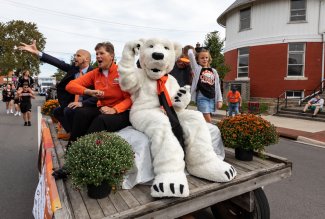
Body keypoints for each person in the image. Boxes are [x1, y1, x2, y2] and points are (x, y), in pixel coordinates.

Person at [18, 40, 97, 139]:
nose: (75, 57)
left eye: (78, 55)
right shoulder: (73, 69)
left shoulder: (94, 72)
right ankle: (72, 132)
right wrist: (37, 52)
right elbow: (57, 62)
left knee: (68, 111)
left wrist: (83, 103)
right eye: (75, 55)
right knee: (57, 111)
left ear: (87, 59)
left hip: (87, 104)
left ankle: (76, 135)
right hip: (72, 102)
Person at [66, 41, 132, 143]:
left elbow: (131, 98)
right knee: (81, 113)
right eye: (96, 54)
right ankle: (72, 148)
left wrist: (114, 109)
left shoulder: (122, 72)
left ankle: (86, 149)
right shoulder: (95, 73)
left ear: (111, 56)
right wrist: (89, 92)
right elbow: (70, 86)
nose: (98, 56)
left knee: (100, 120)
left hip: (122, 112)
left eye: (101, 53)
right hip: (103, 108)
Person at [185, 45, 223, 123]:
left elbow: (217, 86)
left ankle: (202, 132)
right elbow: (191, 55)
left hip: (212, 97)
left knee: (204, 120)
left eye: (206, 57)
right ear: (198, 60)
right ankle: (212, 132)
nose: (204, 59)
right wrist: (191, 50)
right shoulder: (197, 69)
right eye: (202, 58)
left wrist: (219, 100)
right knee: (208, 120)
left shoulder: (214, 71)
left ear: (209, 59)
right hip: (202, 97)